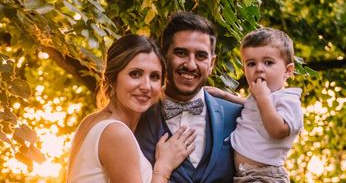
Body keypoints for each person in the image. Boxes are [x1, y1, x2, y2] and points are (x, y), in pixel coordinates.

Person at [67, 34, 197, 183]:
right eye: (135, 74)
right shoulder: (116, 133)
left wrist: (225, 97)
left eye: (154, 76)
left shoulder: (91, 121)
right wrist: (164, 166)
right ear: (113, 78)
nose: (146, 86)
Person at [135, 12, 243, 182]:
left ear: (212, 64)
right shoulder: (135, 117)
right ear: (163, 57)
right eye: (181, 53)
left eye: (201, 56)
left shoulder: (238, 116)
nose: (191, 65)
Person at [206, 27, 303, 183]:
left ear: (288, 70)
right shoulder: (261, 99)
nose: (259, 69)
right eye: (251, 63)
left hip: (265, 176)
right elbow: (250, 105)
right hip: (245, 176)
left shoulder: (289, 100)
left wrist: (262, 97)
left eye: (268, 62)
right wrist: (226, 95)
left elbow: (279, 130)